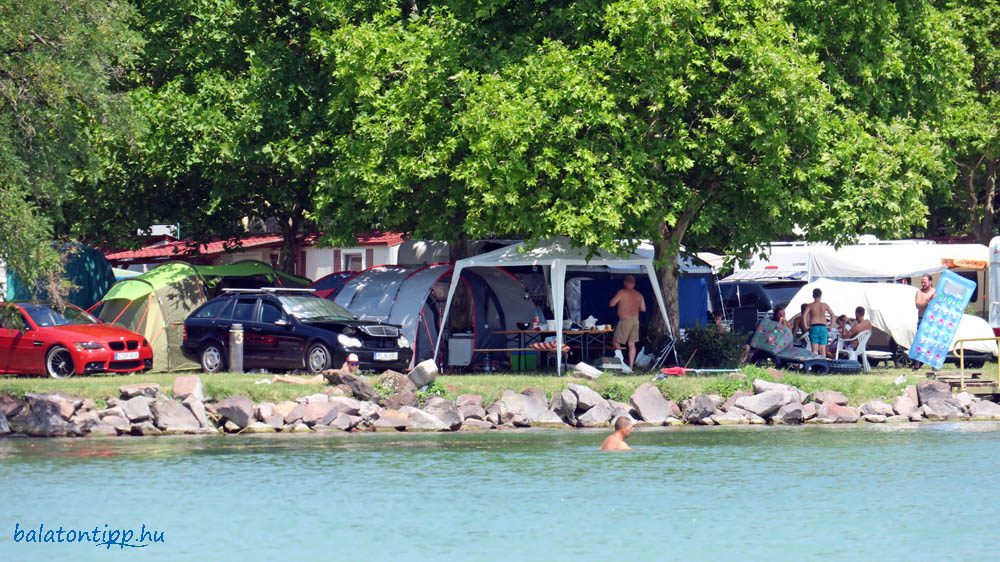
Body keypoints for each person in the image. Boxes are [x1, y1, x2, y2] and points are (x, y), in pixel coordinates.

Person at [609, 275, 646, 369]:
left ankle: (621, 362)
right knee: (631, 344)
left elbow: (612, 303)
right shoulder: (639, 295)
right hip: (635, 321)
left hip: (625, 320)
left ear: (625, 282)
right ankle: (631, 365)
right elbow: (643, 309)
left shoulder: (622, 292)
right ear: (634, 284)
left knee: (615, 342)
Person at [266, 353, 360, 384]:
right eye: (352, 363)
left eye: (356, 364)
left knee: (305, 381)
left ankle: (287, 377)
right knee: (304, 383)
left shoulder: (347, 367)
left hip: (324, 378)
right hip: (323, 379)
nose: (354, 366)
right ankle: (279, 379)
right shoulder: (346, 370)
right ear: (348, 363)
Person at [803, 288, 835, 356]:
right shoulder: (824, 305)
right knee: (822, 349)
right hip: (823, 327)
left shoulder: (810, 305)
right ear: (821, 296)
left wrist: (806, 326)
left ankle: (814, 365)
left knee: (814, 349)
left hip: (814, 327)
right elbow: (832, 315)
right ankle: (823, 364)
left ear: (813, 296)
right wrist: (830, 326)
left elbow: (804, 316)